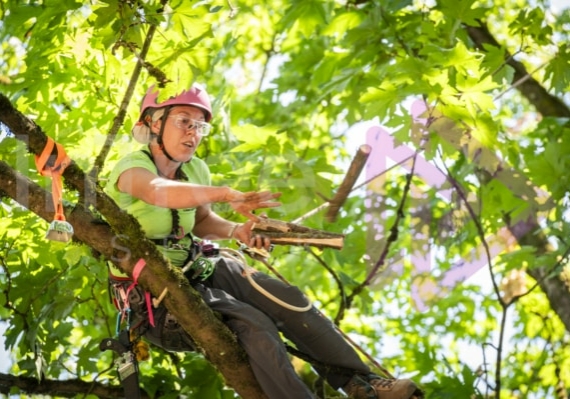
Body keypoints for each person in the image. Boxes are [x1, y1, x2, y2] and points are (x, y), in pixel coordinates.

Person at [104, 83, 422, 399]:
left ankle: (362, 384)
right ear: (153, 124)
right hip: (154, 301)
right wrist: (226, 193)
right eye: (184, 121)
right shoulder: (131, 168)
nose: (194, 132)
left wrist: (236, 231)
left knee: (288, 299)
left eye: (200, 125)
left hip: (199, 268)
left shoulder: (195, 170)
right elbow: (157, 191)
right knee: (255, 326)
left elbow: (200, 222)